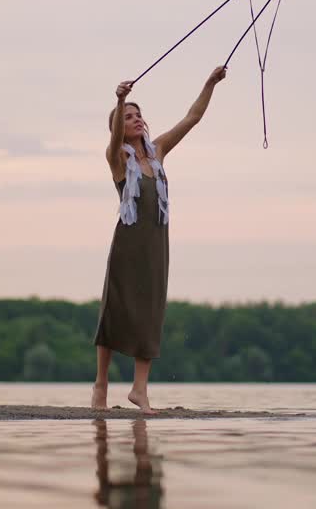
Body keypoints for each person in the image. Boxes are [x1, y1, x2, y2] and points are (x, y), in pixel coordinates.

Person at [92, 65, 227, 412]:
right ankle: (101, 384)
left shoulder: (158, 151)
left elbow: (192, 117)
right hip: (128, 242)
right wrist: (120, 98)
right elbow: (113, 139)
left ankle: (140, 390)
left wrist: (209, 82)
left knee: (151, 311)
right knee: (114, 309)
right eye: (127, 117)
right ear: (118, 128)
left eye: (138, 115)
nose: (136, 120)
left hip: (156, 243)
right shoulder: (117, 158)